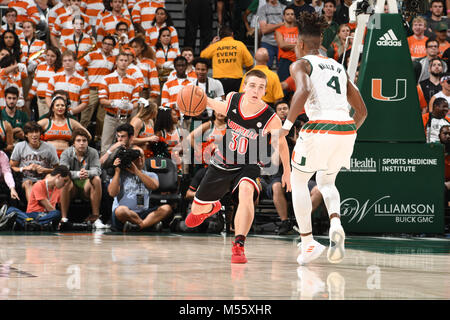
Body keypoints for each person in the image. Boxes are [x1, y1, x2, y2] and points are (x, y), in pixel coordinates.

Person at [280, 12, 367, 265]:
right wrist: (346, 132)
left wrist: (286, 127)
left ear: (301, 44)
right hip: (347, 129)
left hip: (320, 126)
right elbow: (362, 111)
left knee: (298, 181)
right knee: (327, 181)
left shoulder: (301, 64)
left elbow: (304, 90)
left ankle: (307, 243)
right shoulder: (338, 67)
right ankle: (335, 223)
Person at [184, 69, 292, 263]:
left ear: (265, 91)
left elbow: (282, 144)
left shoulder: (270, 117)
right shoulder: (233, 99)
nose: (255, 90)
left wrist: (288, 172)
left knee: (246, 191)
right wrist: (201, 99)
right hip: (222, 162)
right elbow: (217, 105)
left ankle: (239, 245)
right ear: (244, 86)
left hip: (249, 164)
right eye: (252, 85)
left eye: (261, 87)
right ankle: (211, 207)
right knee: (196, 212)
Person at [108, 145, 173, 232]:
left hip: (143, 213)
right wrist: (117, 171)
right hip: (125, 214)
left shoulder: (151, 175)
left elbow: (154, 186)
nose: (140, 159)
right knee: (121, 210)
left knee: (166, 208)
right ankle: (147, 225)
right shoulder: (120, 175)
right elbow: (112, 193)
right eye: (136, 157)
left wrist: (136, 171)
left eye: (141, 156)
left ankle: (138, 226)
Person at [59, 128, 106, 228]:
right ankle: (64, 218)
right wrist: (77, 174)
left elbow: (97, 170)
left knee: (97, 179)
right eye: (78, 141)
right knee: (64, 179)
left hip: (86, 186)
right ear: (73, 143)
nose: (81, 143)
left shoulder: (93, 152)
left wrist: (88, 173)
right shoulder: (66, 153)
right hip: (72, 187)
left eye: (84, 141)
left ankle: (96, 218)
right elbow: (63, 172)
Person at [4, 165, 70, 231]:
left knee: (57, 213)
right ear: (58, 176)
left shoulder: (59, 189)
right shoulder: (39, 185)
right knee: (11, 210)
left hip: (46, 216)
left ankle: (31, 224)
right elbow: (49, 207)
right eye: (64, 181)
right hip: (32, 214)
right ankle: (34, 223)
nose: (65, 184)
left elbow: (55, 209)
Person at [98, 51, 139, 155]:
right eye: (121, 60)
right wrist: (113, 103)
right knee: (106, 145)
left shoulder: (134, 81)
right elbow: (102, 100)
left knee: (125, 145)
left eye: (126, 60)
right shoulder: (106, 79)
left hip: (126, 117)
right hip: (111, 116)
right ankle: (103, 168)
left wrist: (130, 106)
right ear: (116, 62)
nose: (123, 63)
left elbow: (136, 103)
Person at [9, 121, 59, 202]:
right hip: (26, 179)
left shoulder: (50, 147)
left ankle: (48, 209)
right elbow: (12, 166)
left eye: (36, 132)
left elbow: (57, 169)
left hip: (44, 179)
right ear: (26, 134)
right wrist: (25, 168)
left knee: (44, 183)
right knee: (28, 183)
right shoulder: (20, 146)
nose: (34, 135)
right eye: (31, 132)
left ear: (40, 134)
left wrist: (44, 170)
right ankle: (33, 210)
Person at [77, 35, 116, 133]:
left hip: (105, 91)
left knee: (101, 118)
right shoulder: (92, 54)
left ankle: (99, 139)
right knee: (86, 116)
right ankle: (79, 136)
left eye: (110, 45)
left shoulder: (114, 58)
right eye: (105, 43)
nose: (107, 46)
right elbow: (78, 66)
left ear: (113, 47)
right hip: (92, 89)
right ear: (102, 44)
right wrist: (84, 79)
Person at [200, 26, 254, 95]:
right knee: (234, 102)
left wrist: (212, 43)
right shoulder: (240, 45)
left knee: (220, 102)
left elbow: (202, 55)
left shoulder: (215, 46)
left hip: (219, 79)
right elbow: (250, 63)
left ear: (220, 37)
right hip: (236, 80)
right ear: (232, 34)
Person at [45, 50, 89, 116]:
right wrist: (53, 109)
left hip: (72, 115)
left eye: (70, 60)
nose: (67, 62)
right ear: (62, 62)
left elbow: (85, 102)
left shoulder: (82, 81)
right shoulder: (54, 77)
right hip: (55, 114)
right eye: (65, 61)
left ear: (75, 62)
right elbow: (48, 96)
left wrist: (72, 112)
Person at [26, 46, 63, 118]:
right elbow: (35, 83)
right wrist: (30, 95)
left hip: (52, 100)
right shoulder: (40, 65)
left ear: (57, 57)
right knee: (42, 121)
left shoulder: (60, 69)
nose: (49, 58)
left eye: (53, 56)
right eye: (48, 55)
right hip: (40, 100)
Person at [129, 36, 159, 101]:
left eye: (135, 47)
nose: (133, 49)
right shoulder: (127, 61)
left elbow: (154, 80)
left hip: (143, 93)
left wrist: (153, 96)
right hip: (128, 92)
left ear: (142, 48)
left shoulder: (149, 62)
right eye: (132, 47)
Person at [257, 0, 285, 69]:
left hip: (282, 42)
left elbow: (287, 27)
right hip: (267, 42)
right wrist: (280, 24)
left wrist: (269, 26)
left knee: (282, 70)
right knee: (264, 69)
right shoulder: (263, 9)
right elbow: (264, 30)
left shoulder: (284, 8)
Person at [275, 7, 298, 82]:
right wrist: (296, 45)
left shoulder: (299, 30)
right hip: (284, 61)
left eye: (292, 14)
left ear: (294, 16)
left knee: (295, 86)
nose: (290, 16)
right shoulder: (279, 30)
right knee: (283, 85)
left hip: (297, 60)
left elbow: (302, 45)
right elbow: (282, 45)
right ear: (284, 16)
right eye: (287, 14)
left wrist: (287, 45)